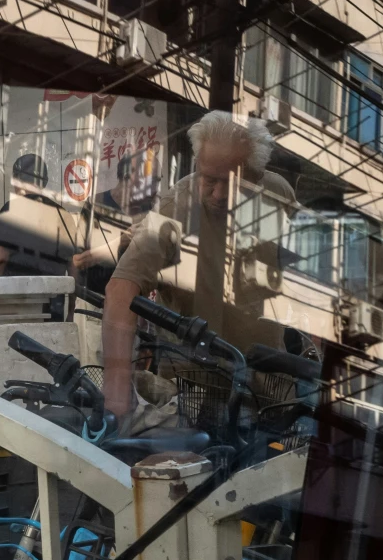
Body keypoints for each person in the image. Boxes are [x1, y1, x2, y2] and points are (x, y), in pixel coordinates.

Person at [96, 110, 293, 422]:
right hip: (196, 387)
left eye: (231, 183)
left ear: (256, 177)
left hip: (269, 381)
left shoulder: (278, 194)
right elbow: (121, 289)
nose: (216, 194)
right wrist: (117, 393)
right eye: (208, 179)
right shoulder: (175, 210)